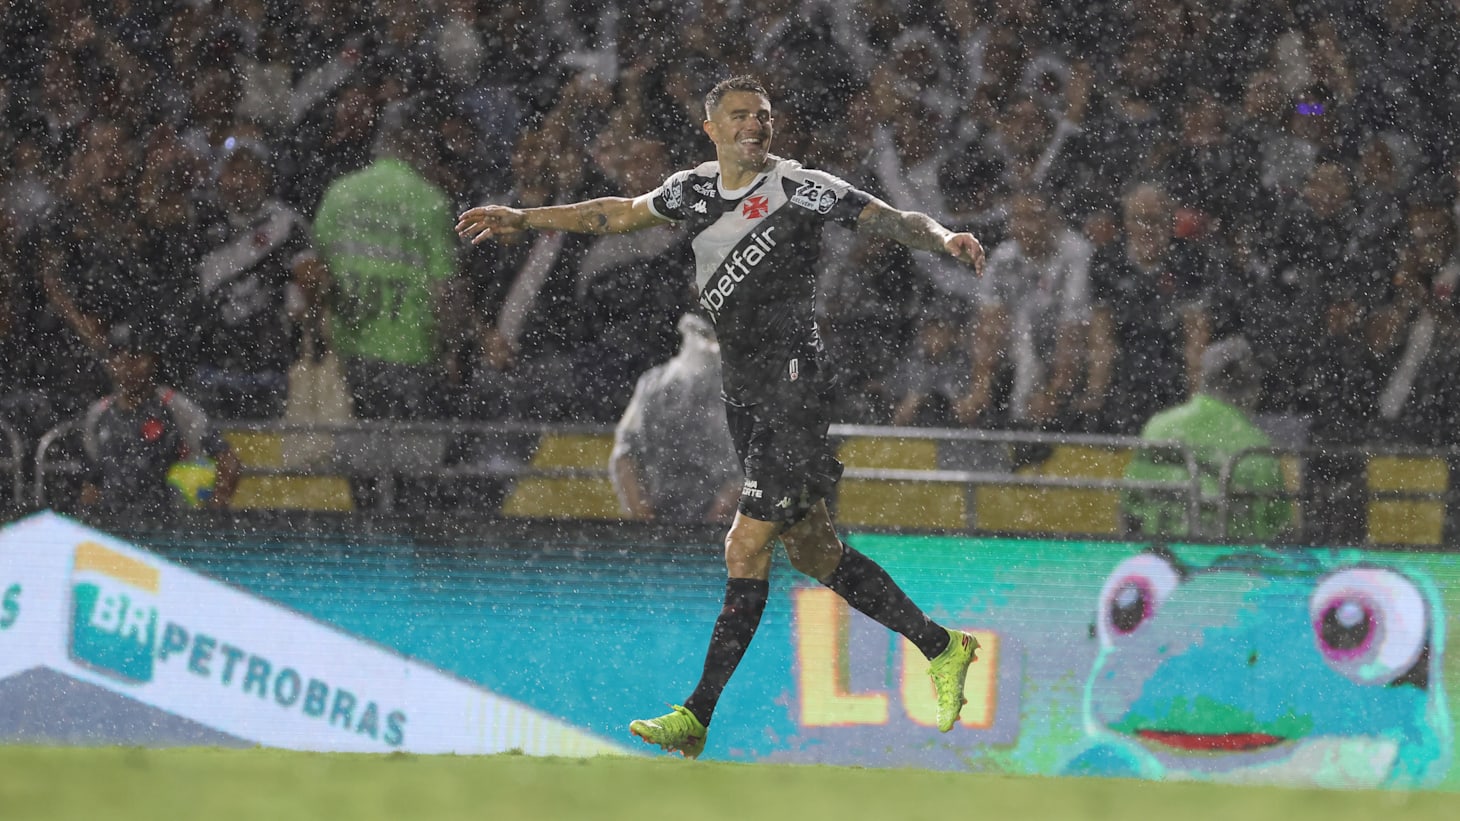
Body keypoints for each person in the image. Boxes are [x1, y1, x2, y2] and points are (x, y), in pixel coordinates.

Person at [458, 75, 985, 758]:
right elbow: (615, 214)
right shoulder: (693, 192)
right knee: (815, 551)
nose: (754, 125)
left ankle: (696, 713)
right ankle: (942, 646)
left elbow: (890, 218)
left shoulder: (799, 187)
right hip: (744, 393)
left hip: (795, 387)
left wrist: (943, 237)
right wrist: (527, 218)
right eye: (739, 115)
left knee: (744, 545)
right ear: (711, 129)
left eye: (762, 115)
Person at [1122, 336, 1291, 542]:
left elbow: (1131, 503)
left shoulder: (1160, 427)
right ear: (1255, 392)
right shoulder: (1257, 446)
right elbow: (1277, 525)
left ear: (1202, 379)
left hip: (1164, 550)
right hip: (1236, 557)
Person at [80, 323, 241, 519]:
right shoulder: (99, 413)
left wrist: (213, 514)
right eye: (118, 358)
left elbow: (228, 460)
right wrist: (90, 520)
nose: (127, 366)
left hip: (166, 525)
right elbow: (91, 481)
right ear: (108, 364)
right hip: (113, 525)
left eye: (136, 357)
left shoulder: (175, 406)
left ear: (153, 360)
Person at [610, 313, 740, 524]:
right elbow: (624, 455)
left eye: (715, 338)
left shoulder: (735, 391)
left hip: (717, 525)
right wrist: (641, 513)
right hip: (659, 517)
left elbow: (747, 467)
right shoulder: (653, 385)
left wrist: (720, 515)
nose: (710, 346)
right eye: (705, 336)